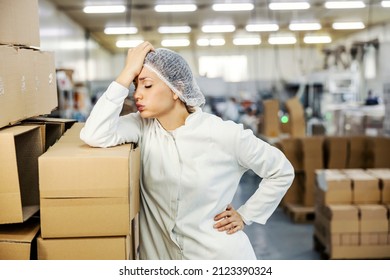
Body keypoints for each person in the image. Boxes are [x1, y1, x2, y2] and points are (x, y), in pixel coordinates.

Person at [80, 41, 294, 260]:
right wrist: (126, 73)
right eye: (135, 86)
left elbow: (281, 170)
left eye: (147, 85)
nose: (137, 95)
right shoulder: (141, 127)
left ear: (177, 89)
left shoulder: (222, 133)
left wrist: (246, 214)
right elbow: (93, 134)